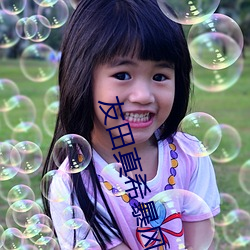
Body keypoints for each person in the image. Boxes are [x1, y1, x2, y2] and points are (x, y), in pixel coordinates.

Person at [42, 0, 220, 249]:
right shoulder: (74, 186)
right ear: (81, 76)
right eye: (123, 75)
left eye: (160, 76)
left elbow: (203, 243)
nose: (144, 95)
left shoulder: (189, 155)